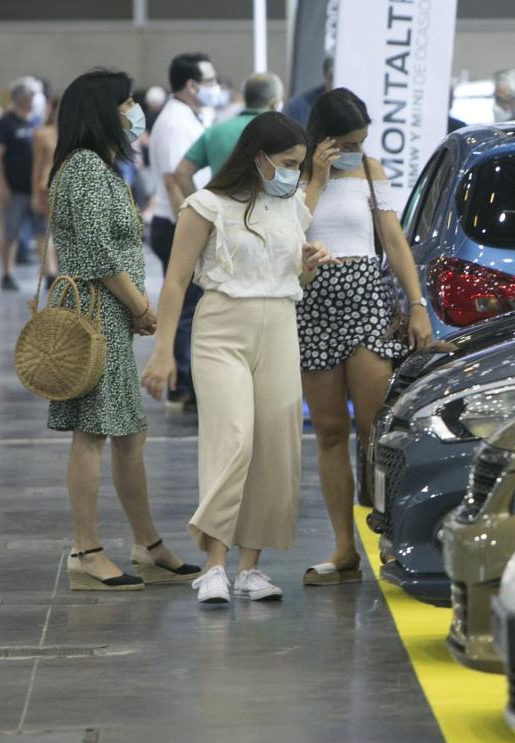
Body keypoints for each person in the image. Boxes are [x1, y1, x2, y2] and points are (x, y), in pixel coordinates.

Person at [141, 112, 336, 606]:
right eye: (289, 163)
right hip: (220, 329)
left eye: (300, 164)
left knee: (276, 446)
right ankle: (212, 567)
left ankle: (250, 568)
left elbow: (294, 277)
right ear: (259, 157)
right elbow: (176, 282)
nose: (295, 172)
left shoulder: (291, 205)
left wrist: (307, 267)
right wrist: (163, 351)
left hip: (280, 326)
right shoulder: (204, 206)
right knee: (234, 441)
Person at [48, 68, 200, 591]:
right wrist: (141, 307)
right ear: (103, 111)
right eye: (126, 102)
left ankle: (148, 543)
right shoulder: (87, 168)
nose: (134, 110)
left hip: (109, 317)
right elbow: (98, 252)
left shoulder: (97, 166)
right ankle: (86, 549)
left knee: (129, 434)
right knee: (91, 434)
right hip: (97, 316)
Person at [298, 89, 435, 584]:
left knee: (374, 432)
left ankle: (392, 537)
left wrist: (417, 305)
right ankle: (342, 548)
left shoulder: (372, 170)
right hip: (310, 306)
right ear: (324, 139)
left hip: (365, 302)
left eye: (362, 140)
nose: (358, 148)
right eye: (349, 142)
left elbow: (394, 241)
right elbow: (290, 229)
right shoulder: (292, 172)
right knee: (330, 432)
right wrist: (314, 175)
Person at [148, 52, 221, 409]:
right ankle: (183, 381)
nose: (215, 87)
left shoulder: (191, 115)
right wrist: (195, 225)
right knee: (187, 306)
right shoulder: (175, 122)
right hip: (177, 221)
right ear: (191, 85)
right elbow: (174, 178)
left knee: (192, 303)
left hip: (184, 220)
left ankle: (187, 378)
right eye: (209, 81)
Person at [174, 72, 283, 197]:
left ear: (245, 98)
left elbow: (182, 172)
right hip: (269, 212)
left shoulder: (215, 131)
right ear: (275, 102)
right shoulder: (282, 133)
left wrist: (199, 208)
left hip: (221, 213)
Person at [0, 77, 45, 292]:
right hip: (14, 189)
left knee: (41, 232)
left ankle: (48, 275)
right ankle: (7, 273)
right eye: (30, 96)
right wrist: (3, 185)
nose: (33, 100)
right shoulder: (5, 123)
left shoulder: (35, 121)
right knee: (11, 232)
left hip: (35, 188)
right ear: (20, 98)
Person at [30, 93, 59, 286]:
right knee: (46, 230)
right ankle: (50, 271)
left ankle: (53, 270)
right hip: (47, 186)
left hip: (56, 185)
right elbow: (37, 165)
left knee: (53, 231)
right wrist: (34, 193)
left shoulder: (69, 133)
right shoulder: (42, 133)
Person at [285, 55, 333, 127]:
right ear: (325, 76)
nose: (337, 83)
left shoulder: (354, 105)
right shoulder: (298, 106)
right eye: (332, 78)